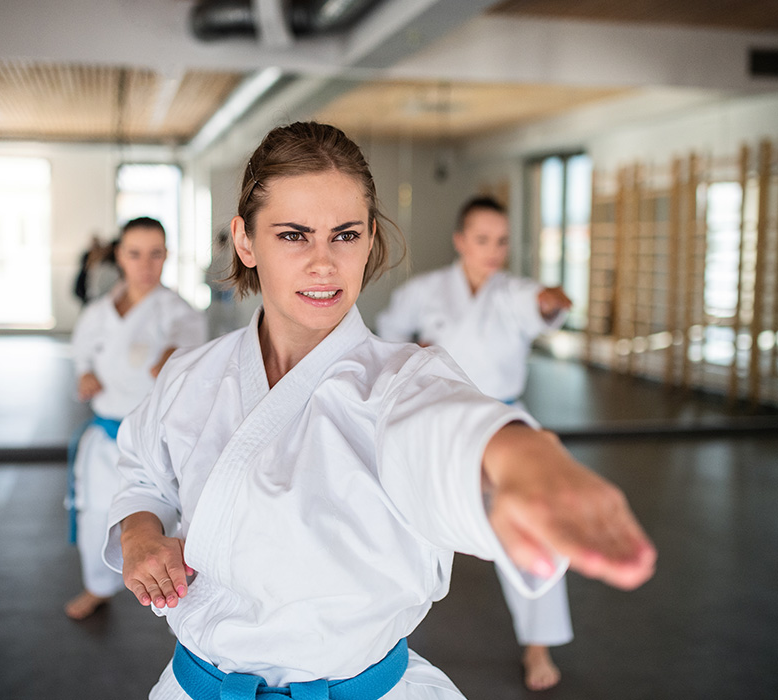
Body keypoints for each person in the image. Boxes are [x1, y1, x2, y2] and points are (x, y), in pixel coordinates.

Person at [102, 122, 656, 700]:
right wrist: (140, 532)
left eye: (345, 235)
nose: (324, 263)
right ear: (245, 241)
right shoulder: (189, 375)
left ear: (369, 239)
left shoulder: (401, 381)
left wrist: (517, 455)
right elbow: (142, 474)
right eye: (294, 235)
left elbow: (442, 428)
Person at [376, 196, 574, 690]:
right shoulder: (426, 291)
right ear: (461, 240)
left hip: (503, 420)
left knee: (534, 524)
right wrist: (411, 353)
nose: (493, 250)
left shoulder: (511, 292)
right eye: (482, 239)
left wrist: (551, 299)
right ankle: (376, 637)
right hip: (439, 422)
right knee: (393, 520)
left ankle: (538, 646)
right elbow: (388, 336)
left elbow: (539, 301)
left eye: (502, 241)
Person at [65, 216, 207, 620]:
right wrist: (85, 374)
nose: (145, 264)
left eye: (155, 254)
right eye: (135, 253)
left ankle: (179, 600)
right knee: (96, 520)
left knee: (167, 524)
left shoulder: (180, 314)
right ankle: (97, 587)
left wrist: (174, 360)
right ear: (119, 257)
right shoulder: (98, 311)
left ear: (166, 257)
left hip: (155, 445)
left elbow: (188, 355)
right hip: (104, 438)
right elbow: (82, 353)